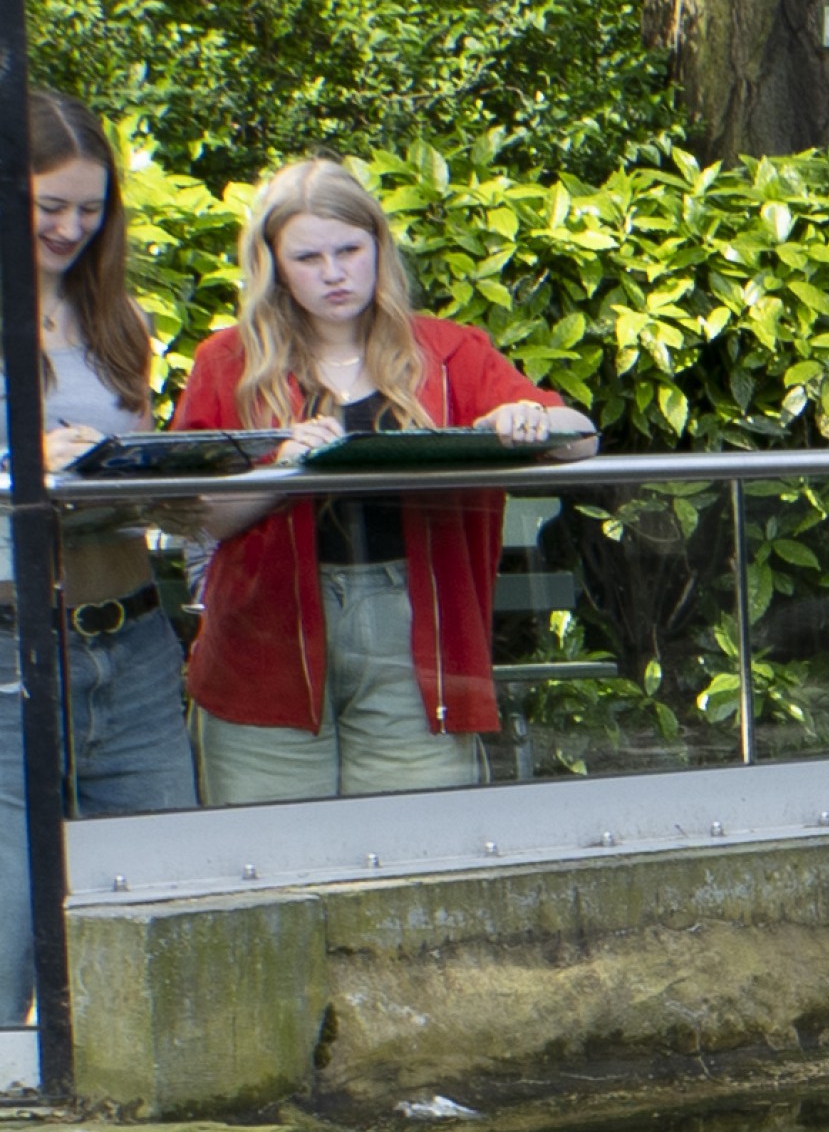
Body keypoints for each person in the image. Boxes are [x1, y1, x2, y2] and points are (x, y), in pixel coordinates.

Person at [172, 156, 591, 802]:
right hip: (263, 634)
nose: (334, 273)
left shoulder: (448, 350)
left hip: (415, 628)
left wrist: (531, 416)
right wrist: (285, 469)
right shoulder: (226, 361)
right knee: (273, 855)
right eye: (309, 257)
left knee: (418, 847)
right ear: (273, 264)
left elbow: (582, 436)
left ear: (378, 246)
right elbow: (197, 517)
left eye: (349, 249)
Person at [0, 87, 201, 1029]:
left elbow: (144, 484)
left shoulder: (118, 320)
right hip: (12, 656)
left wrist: (180, 475)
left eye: (91, 207)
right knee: (7, 944)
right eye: (51, 206)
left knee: (155, 922)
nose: (73, 227)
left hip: (135, 643)